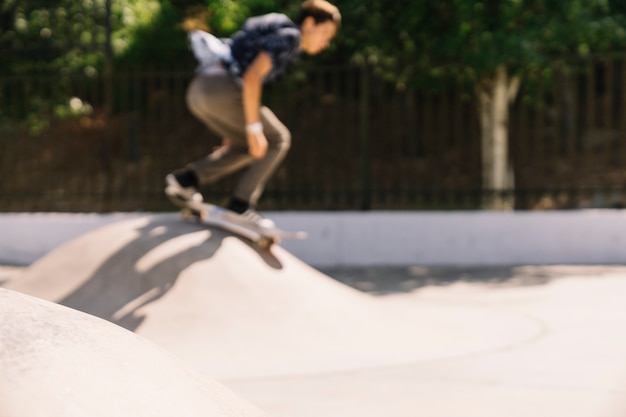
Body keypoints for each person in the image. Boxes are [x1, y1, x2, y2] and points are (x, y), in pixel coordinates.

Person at [165, 0, 341, 226]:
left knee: (247, 145)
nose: (325, 42)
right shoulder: (290, 37)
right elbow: (251, 77)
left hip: (199, 91)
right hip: (222, 88)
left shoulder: (278, 32)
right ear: (308, 23)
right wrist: (253, 126)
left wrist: (240, 130)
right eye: (325, 32)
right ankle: (240, 205)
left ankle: (186, 180)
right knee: (277, 138)